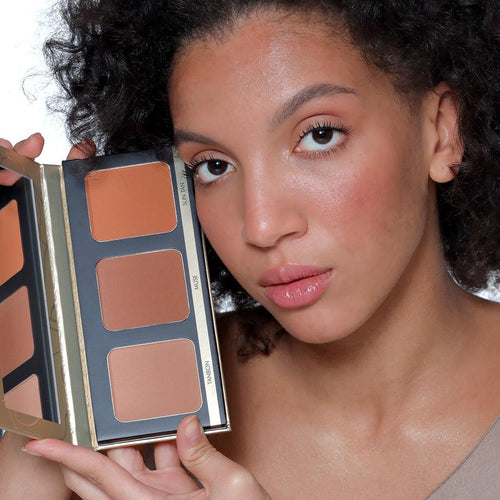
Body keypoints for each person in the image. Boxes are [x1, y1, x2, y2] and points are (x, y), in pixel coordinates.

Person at [0, 0, 499, 498]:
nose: (260, 226)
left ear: (442, 132)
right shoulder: (124, 403)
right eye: (213, 166)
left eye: (319, 135)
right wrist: (42, 377)